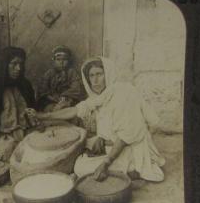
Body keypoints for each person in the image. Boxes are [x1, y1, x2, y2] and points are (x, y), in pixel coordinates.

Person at [31, 56, 165, 182]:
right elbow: (75, 110)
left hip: (132, 148)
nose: (95, 80)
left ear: (108, 74)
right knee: (84, 146)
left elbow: (126, 136)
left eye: (99, 74)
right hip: (114, 142)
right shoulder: (99, 97)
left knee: (80, 167)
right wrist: (43, 116)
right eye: (91, 76)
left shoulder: (123, 92)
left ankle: (134, 170)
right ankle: (117, 167)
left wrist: (106, 163)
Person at [36, 45, 86, 112]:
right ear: (54, 61)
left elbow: (76, 87)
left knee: (67, 109)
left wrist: (65, 96)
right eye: (58, 59)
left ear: (68, 61)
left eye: (64, 60)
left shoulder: (72, 72)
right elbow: (43, 89)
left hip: (67, 100)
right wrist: (51, 97)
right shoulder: (49, 73)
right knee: (49, 109)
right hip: (51, 100)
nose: (61, 62)